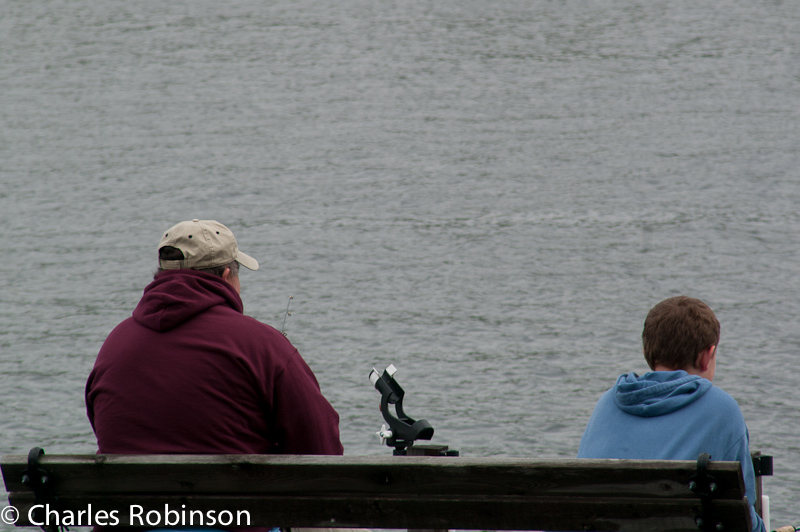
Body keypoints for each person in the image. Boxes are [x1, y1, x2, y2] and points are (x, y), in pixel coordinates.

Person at [86, 219, 343, 456]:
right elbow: (322, 450)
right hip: (239, 507)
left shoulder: (114, 345)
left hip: (125, 506)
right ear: (227, 277)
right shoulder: (262, 345)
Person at [577, 296, 765, 532]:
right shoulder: (722, 409)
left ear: (648, 350)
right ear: (707, 356)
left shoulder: (608, 402)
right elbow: (744, 521)